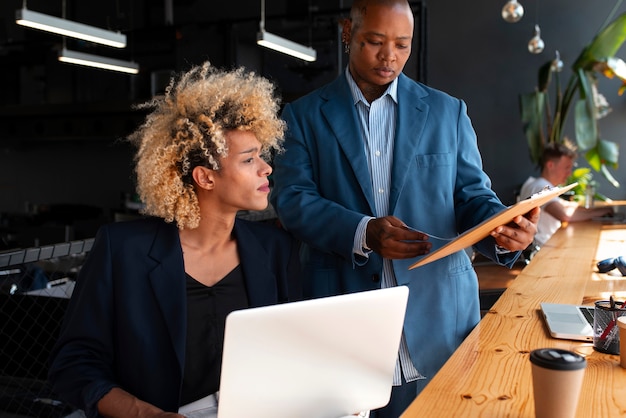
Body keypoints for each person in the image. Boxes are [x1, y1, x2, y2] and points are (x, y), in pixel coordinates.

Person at [269, 0, 539, 416]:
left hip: (439, 322)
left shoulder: (447, 112)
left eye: (402, 44)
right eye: (374, 42)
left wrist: (503, 230)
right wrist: (363, 231)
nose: (389, 56)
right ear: (347, 33)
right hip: (345, 316)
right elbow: (292, 200)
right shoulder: (303, 117)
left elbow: (472, 198)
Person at [48, 62, 301, 418]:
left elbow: (294, 353)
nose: (266, 168)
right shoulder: (123, 250)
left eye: (262, 155)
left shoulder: (275, 249)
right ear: (205, 177)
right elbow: (73, 364)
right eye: (249, 160)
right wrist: (145, 414)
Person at [519, 141, 613, 247]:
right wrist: (600, 212)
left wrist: (596, 210)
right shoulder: (542, 187)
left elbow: (565, 205)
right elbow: (565, 215)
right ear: (550, 165)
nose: (570, 173)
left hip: (547, 244)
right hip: (543, 249)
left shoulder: (534, 183)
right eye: (566, 167)